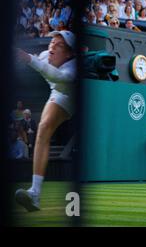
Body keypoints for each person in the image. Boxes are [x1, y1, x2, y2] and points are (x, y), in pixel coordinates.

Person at [15, 30, 76, 211]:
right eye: (52, 43)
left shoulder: (72, 68)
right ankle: (34, 194)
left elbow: (57, 77)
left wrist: (29, 59)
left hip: (75, 93)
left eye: (59, 46)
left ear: (68, 54)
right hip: (59, 93)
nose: (52, 47)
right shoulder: (44, 55)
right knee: (43, 127)